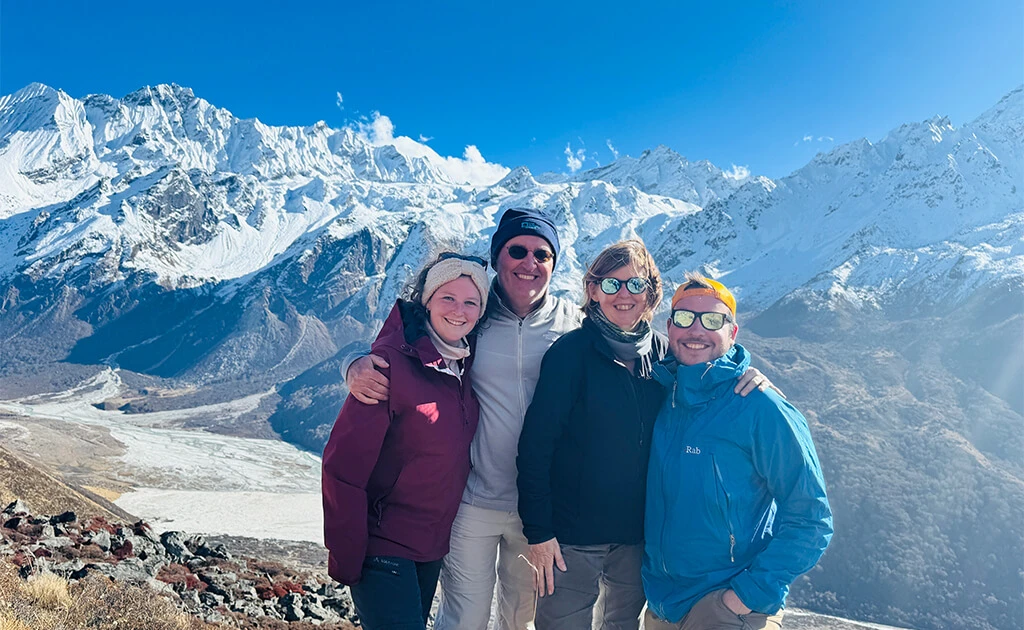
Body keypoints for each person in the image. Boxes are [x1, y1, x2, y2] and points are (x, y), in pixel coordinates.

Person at [343, 210, 773, 630]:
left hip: (544, 507)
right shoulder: (473, 314)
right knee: (466, 619)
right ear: (497, 257)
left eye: (542, 254)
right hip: (475, 497)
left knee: (521, 619)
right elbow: (414, 335)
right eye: (517, 250)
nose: (529, 262)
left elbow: (695, 367)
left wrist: (746, 374)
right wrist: (357, 363)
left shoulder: (575, 325)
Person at [516, 242, 773, 630]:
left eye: (636, 284)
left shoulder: (663, 354)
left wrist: (751, 375)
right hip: (571, 538)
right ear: (593, 291)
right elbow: (535, 447)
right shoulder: (569, 355)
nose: (624, 294)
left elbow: (710, 370)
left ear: (651, 294)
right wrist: (539, 533)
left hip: (638, 540)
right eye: (611, 284)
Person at [642, 274, 833, 630]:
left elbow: (811, 519)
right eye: (684, 317)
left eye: (712, 320)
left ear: (732, 332)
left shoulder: (761, 408)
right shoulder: (660, 394)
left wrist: (744, 597)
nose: (696, 329)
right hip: (661, 605)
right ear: (669, 328)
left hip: (726, 608)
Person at [321, 252, 489, 630]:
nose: (458, 311)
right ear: (427, 301)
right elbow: (341, 464)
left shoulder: (464, 362)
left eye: (471, 302)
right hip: (383, 545)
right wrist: (347, 556)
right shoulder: (387, 367)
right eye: (448, 297)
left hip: (429, 549)